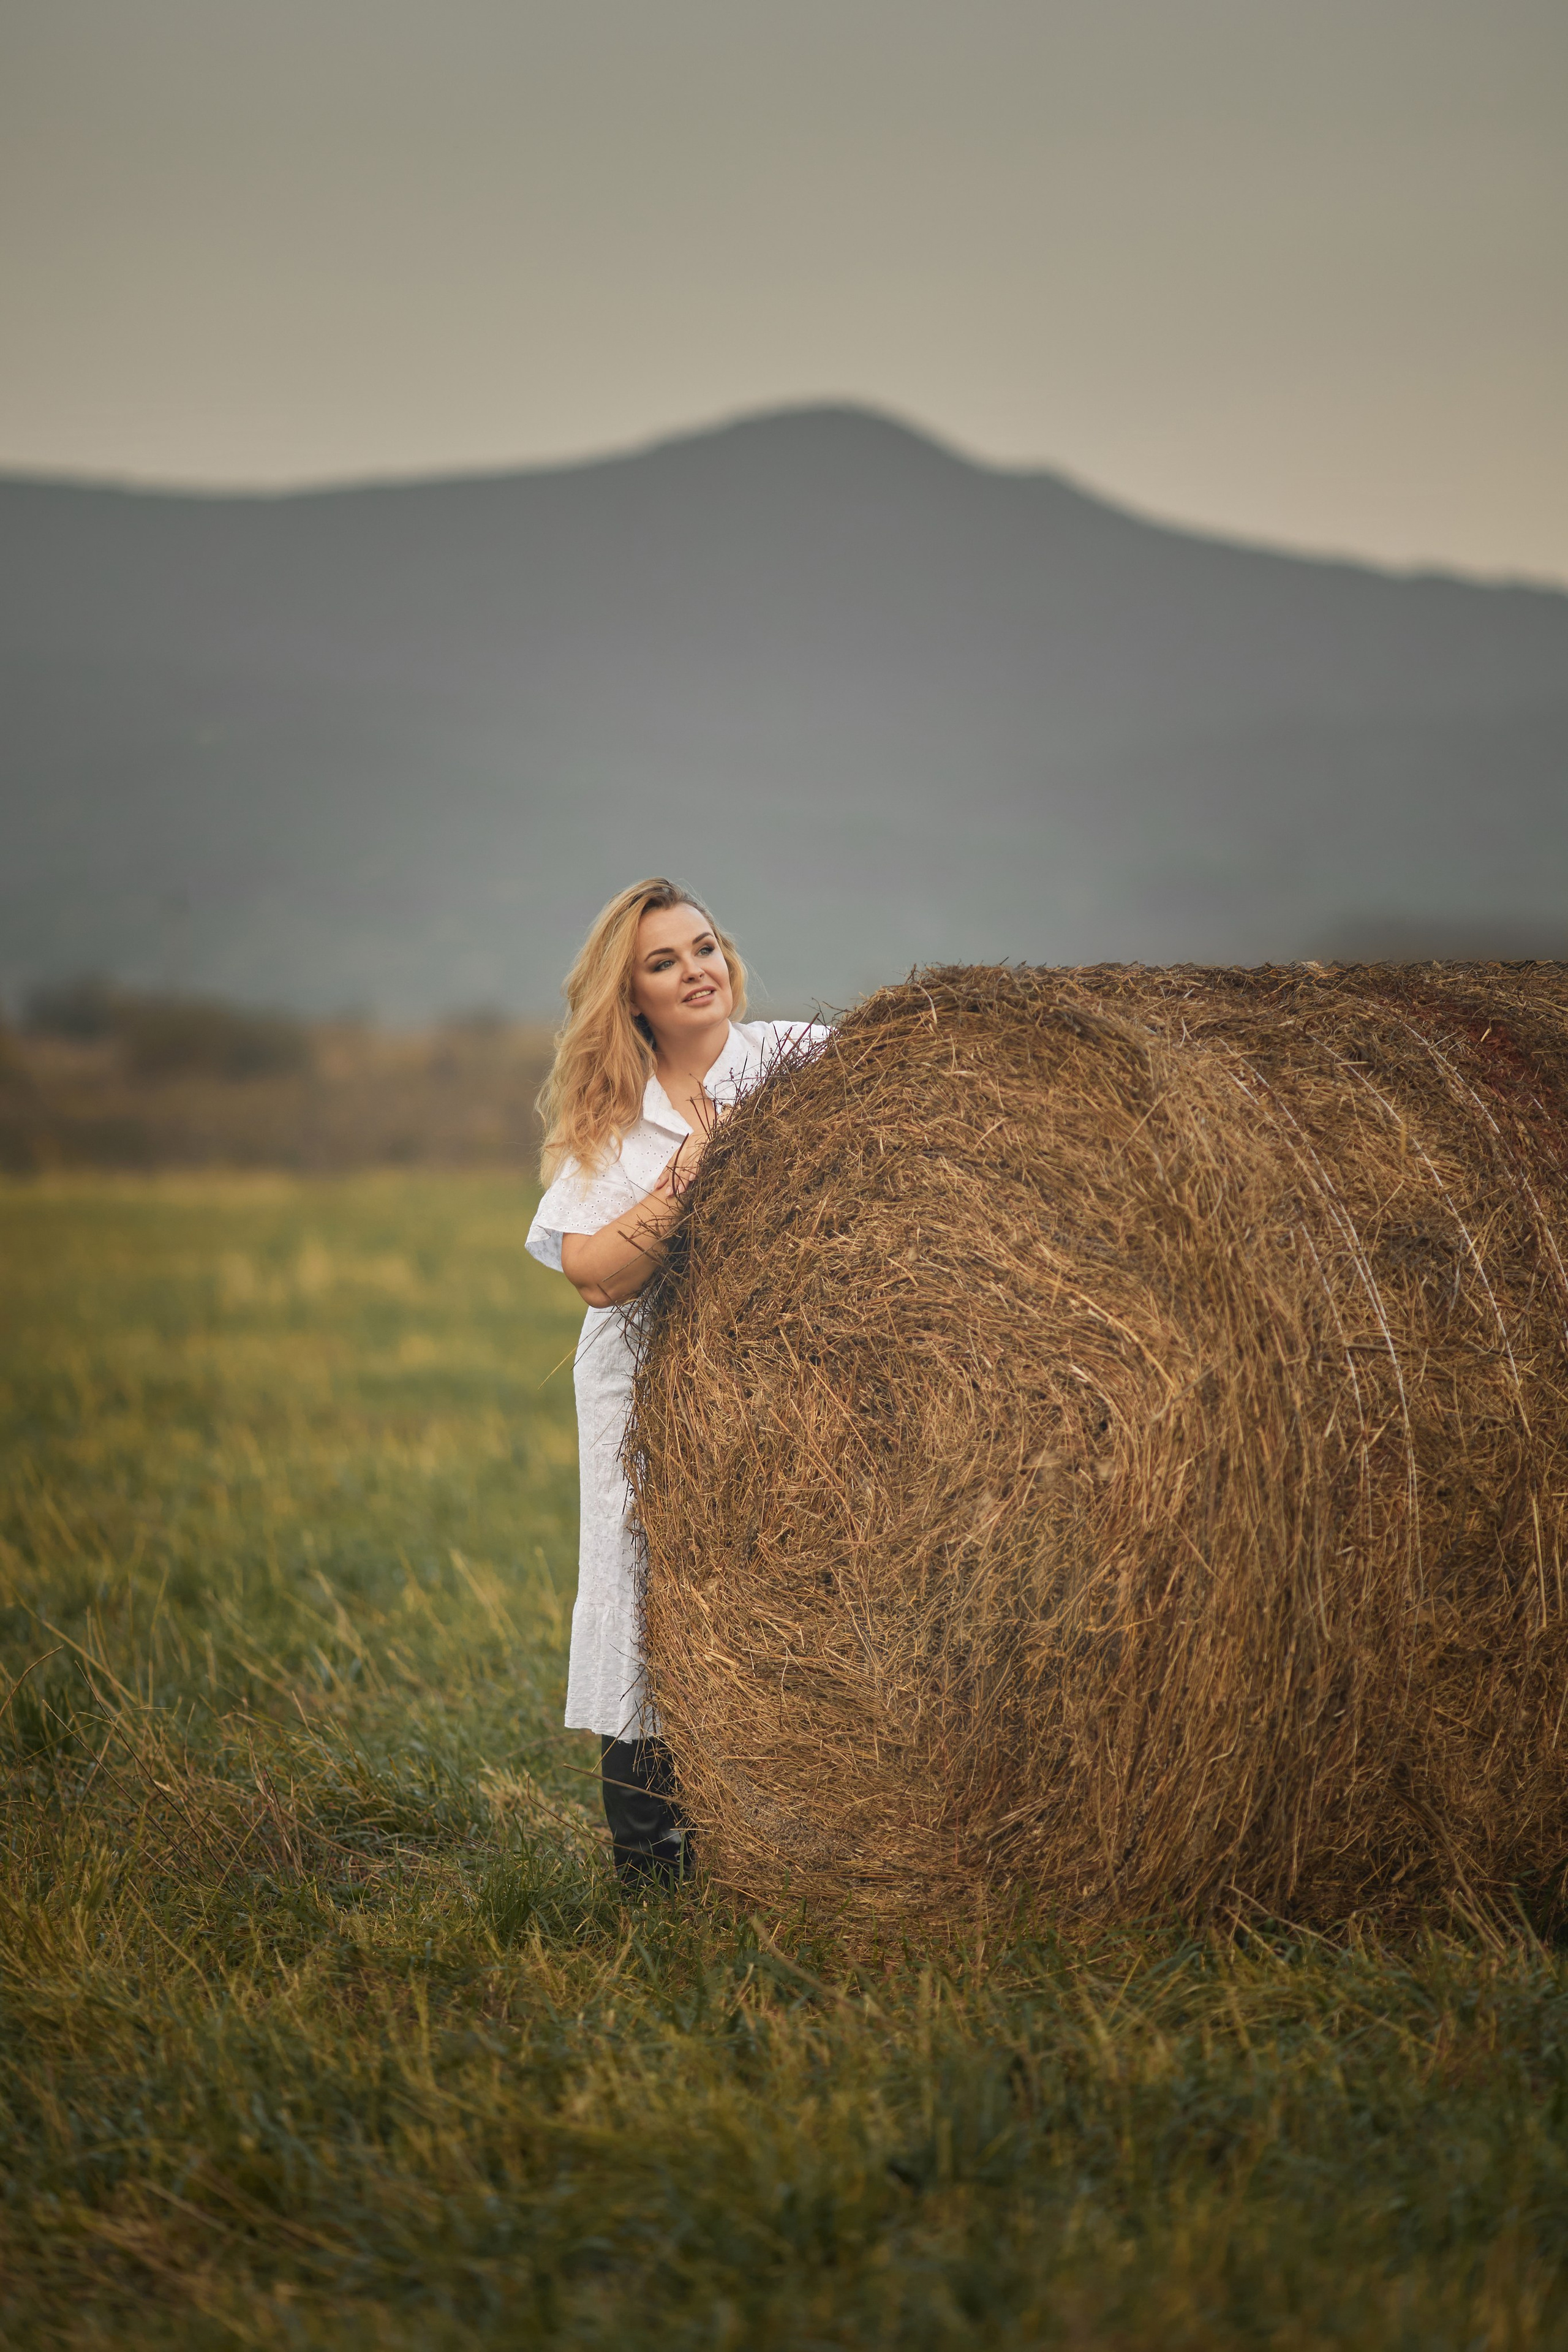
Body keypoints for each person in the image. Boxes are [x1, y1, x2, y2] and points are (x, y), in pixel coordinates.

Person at [525, 879, 829, 1887]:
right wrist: (698, 1158)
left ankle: (779, 1829)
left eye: (704, 948)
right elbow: (597, 1275)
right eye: (664, 962)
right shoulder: (618, 1120)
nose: (697, 971)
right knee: (643, 1589)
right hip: (649, 1393)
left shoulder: (802, 1061)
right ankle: (651, 1865)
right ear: (633, 999)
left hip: (789, 1374)